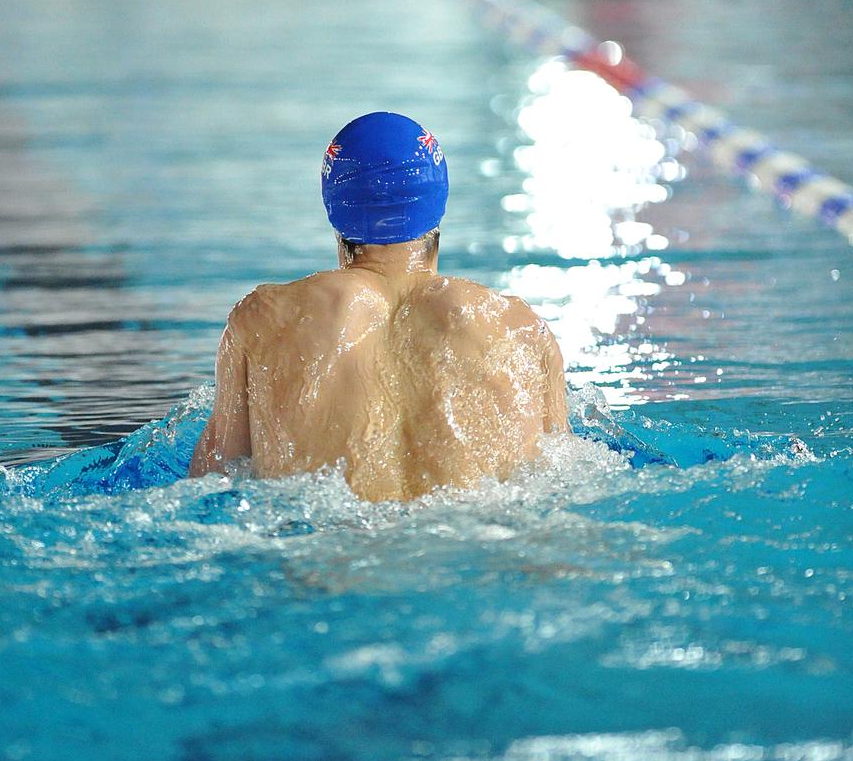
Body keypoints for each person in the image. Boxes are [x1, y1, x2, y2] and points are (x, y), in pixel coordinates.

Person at [189, 111, 569, 501]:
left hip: (326, 547)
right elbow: (564, 475)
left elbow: (216, 476)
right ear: (438, 205)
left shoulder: (263, 320)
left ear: (334, 209)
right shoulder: (520, 327)